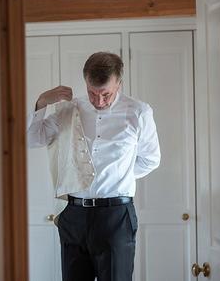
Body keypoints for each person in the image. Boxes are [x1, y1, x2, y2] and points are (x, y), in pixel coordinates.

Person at [27, 52, 161, 281]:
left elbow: (150, 159)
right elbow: (32, 139)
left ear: (119, 82)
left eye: (106, 94)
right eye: (92, 92)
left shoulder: (139, 112)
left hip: (116, 216)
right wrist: (42, 103)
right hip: (74, 214)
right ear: (85, 82)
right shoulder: (70, 109)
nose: (99, 101)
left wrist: (119, 176)